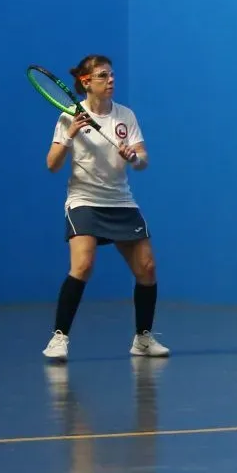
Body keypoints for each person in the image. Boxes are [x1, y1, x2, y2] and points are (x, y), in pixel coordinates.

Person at [42, 55, 168, 362]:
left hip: (120, 201)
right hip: (84, 201)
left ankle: (142, 339)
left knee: (147, 268)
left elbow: (143, 159)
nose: (111, 80)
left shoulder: (125, 115)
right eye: (103, 76)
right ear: (86, 83)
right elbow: (52, 165)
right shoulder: (68, 116)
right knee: (83, 266)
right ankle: (59, 338)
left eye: (112, 75)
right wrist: (70, 134)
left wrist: (133, 157)